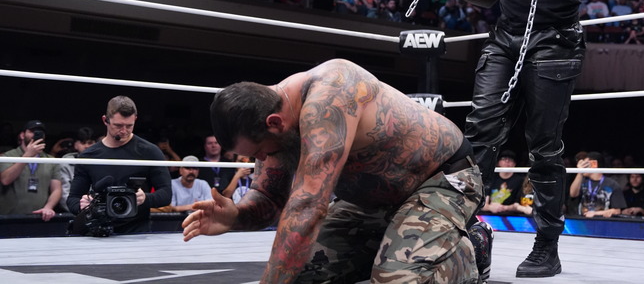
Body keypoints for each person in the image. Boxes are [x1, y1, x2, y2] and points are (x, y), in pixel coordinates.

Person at [410, 0, 608, 278]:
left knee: (543, 144)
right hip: (505, 41)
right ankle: (458, 231)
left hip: (554, 43)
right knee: (479, 134)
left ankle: (547, 246)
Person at [182, 59, 484, 283]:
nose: (261, 159)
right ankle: (389, 247)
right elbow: (268, 196)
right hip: (369, 203)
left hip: (440, 181)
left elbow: (308, 206)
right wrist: (235, 216)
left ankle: (470, 250)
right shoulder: (273, 129)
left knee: (397, 279)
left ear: (274, 122)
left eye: (260, 152)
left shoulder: (330, 95)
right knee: (299, 274)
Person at [67, 96, 172, 233]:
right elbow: (72, 199)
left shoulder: (149, 151)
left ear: (135, 119)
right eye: (118, 125)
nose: (124, 131)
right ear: (105, 120)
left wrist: (145, 198)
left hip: (137, 232)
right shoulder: (89, 155)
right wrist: (84, 205)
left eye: (129, 126)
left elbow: (166, 194)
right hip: (99, 231)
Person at [0, 120, 63, 221]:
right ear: (22, 135)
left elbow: (57, 189)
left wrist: (48, 207)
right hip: (9, 217)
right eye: (32, 131)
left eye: (40, 132)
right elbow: (5, 180)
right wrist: (27, 156)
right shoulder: (8, 156)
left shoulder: (50, 160)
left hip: (40, 217)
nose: (35, 135)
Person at [568, 152, 626, 218]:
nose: (583, 166)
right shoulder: (581, 180)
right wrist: (580, 172)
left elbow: (617, 211)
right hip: (581, 223)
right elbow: (573, 194)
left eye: (585, 164)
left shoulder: (612, 184)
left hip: (602, 223)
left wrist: (596, 213)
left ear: (594, 164)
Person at [482, 149, 532, 215]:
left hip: (512, 216)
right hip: (489, 215)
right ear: (498, 162)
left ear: (514, 164)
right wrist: (490, 207)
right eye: (504, 158)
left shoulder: (520, 180)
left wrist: (505, 208)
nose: (507, 161)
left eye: (510, 159)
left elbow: (518, 204)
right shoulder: (491, 178)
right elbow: (483, 203)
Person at [59, 126, 96, 211]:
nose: (87, 146)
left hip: (97, 211)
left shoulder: (103, 162)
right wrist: (78, 209)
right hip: (73, 211)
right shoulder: (65, 163)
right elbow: (64, 194)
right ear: (75, 145)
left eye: (90, 143)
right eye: (83, 143)